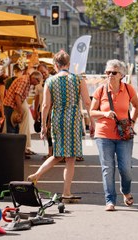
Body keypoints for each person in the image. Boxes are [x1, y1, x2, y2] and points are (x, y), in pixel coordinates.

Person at [27, 50, 92, 199]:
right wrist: (92, 122)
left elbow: (45, 105)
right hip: (73, 120)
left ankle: (37, 174)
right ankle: (66, 192)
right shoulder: (78, 79)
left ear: (55, 65)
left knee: (57, 153)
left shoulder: (50, 81)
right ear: (68, 64)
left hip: (57, 119)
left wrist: (43, 125)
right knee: (70, 158)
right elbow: (87, 102)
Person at [90, 59, 138, 211]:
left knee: (125, 168)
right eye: (108, 72)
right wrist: (104, 113)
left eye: (114, 72)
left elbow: (137, 106)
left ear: (121, 75)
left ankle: (125, 191)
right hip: (104, 134)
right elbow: (92, 112)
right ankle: (110, 200)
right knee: (108, 168)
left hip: (123, 134)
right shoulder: (100, 90)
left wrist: (132, 122)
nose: (110, 75)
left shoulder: (128, 89)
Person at [3, 66, 41, 134]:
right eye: (38, 80)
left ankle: (15, 144)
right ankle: (11, 144)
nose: (38, 83)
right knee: (12, 129)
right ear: (33, 78)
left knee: (15, 128)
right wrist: (20, 111)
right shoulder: (24, 81)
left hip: (12, 106)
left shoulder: (27, 81)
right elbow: (17, 96)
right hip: (10, 106)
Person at [33, 63, 53, 159]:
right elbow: (36, 98)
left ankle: (55, 153)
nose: (43, 74)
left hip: (53, 109)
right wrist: (36, 111)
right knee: (46, 131)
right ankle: (50, 152)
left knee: (53, 131)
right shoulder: (38, 83)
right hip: (43, 110)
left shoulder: (53, 80)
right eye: (40, 72)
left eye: (44, 72)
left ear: (48, 70)